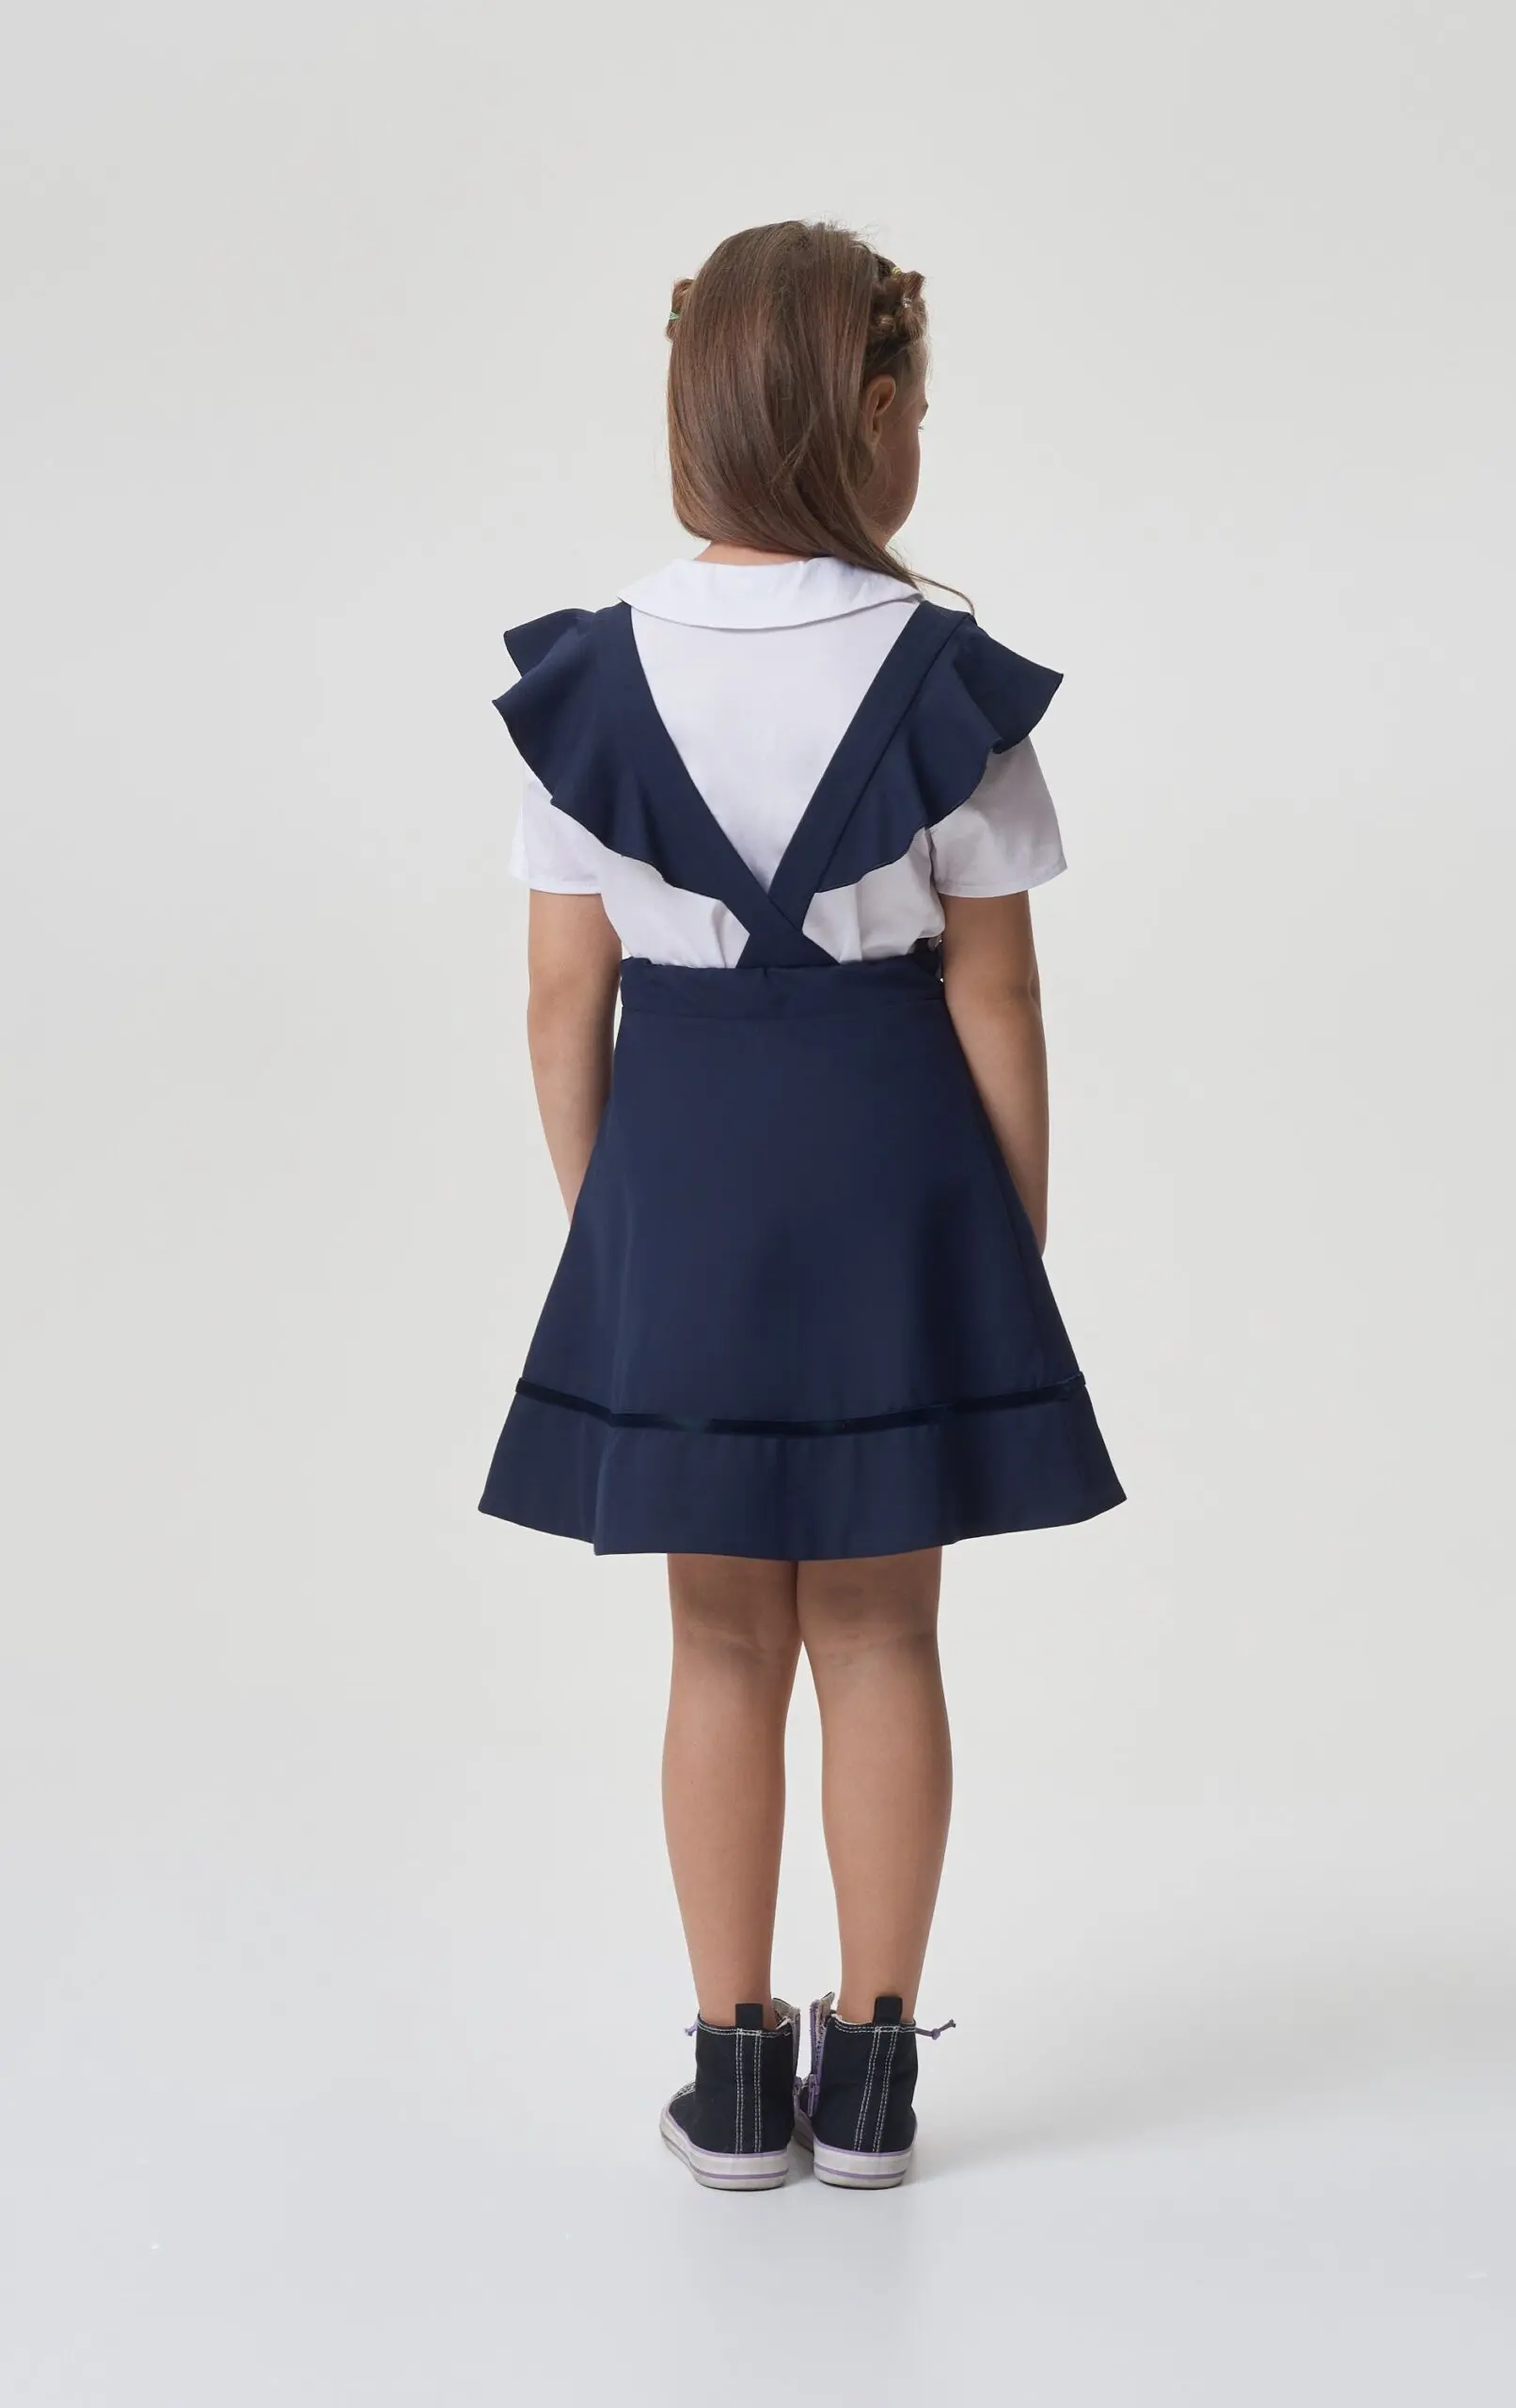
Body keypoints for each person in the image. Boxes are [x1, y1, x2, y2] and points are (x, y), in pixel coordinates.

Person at [479, 220, 1125, 2191]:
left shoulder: (593, 675)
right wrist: (1001, 1241)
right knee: (881, 1628)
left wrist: (615, 1228)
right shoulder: (943, 678)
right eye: (919, 405)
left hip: (677, 1183)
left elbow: (561, 998)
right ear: (870, 411)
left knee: (716, 1637)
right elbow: (996, 995)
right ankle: (875, 2076)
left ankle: (734, 2075)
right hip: (894, 1180)